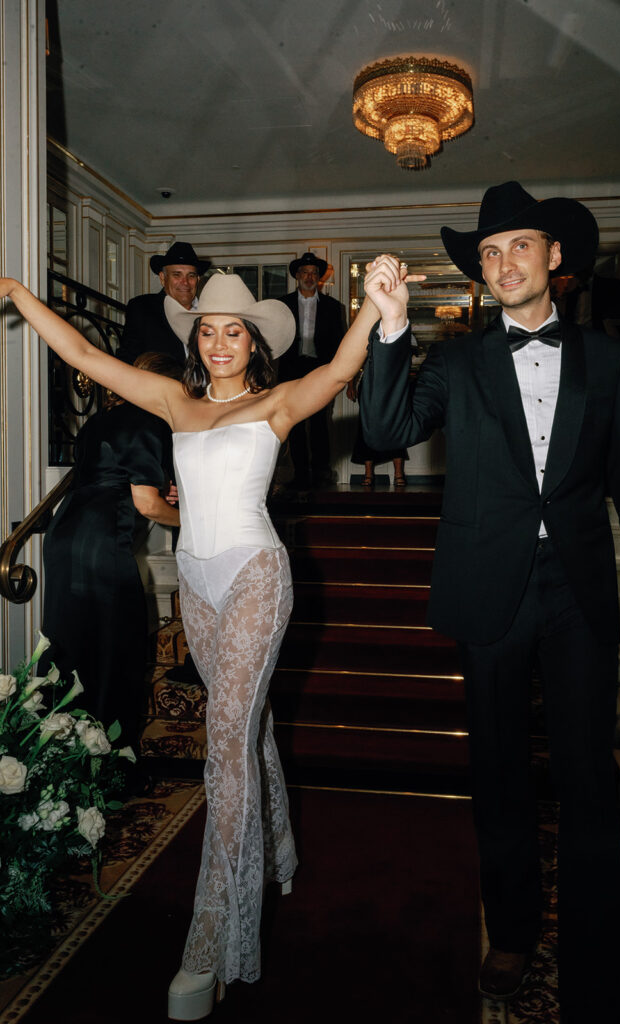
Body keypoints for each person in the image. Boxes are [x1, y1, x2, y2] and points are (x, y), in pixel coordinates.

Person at [0, 253, 418, 1022]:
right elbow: (85, 355)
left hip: (256, 574)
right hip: (194, 581)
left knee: (223, 742)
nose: (221, 342)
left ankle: (212, 940)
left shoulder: (280, 402)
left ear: (254, 344)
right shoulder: (173, 403)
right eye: (209, 331)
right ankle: (280, 852)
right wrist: (18, 292)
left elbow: (337, 369)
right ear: (195, 342)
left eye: (235, 332)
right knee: (245, 729)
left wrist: (372, 304)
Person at [359, 181, 620, 1024]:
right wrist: (392, 326)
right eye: (489, 253)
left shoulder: (607, 360)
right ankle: (510, 931)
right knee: (497, 773)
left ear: (555, 259)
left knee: (586, 779)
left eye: (518, 247)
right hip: (484, 589)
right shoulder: (455, 360)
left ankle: (593, 955)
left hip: (575, 592)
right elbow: (384, 432)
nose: (502, 263)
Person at [40, 351, 182, 749]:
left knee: (69, 642)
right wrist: (194, 521)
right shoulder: (149, 421)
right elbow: (146, 505)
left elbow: (111, 478)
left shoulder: (97, 421)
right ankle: (109, 761)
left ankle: (56, 751)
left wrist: (156, 491)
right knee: (116, 646)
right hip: (101, 541)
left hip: (66, 533)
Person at [277, 251, 347, 488]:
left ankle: (321, 472)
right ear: (297, 275)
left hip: (321, 370)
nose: (309, 276)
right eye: (305, 272)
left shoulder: (333, 307)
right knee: (294, 423)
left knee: (320, 421)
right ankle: (300, 474)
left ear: (319, 278)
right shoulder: (282, 305)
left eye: (314, 273)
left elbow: (340, 343)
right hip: (291, 370)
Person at [117, 241, 210, 365]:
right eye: (177, 275)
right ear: (162, 278)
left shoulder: (209, 313)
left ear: (198, 280)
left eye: (191, 276)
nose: (185, 282)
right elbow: (127, 360)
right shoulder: (143, 308)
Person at [346, 371, 407, 486]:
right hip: (368, 383)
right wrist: (350, 385)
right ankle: (368, 474)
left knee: (394, 424)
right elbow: (353, 364)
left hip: (390, 381)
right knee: (366, 425)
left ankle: (399, 474)